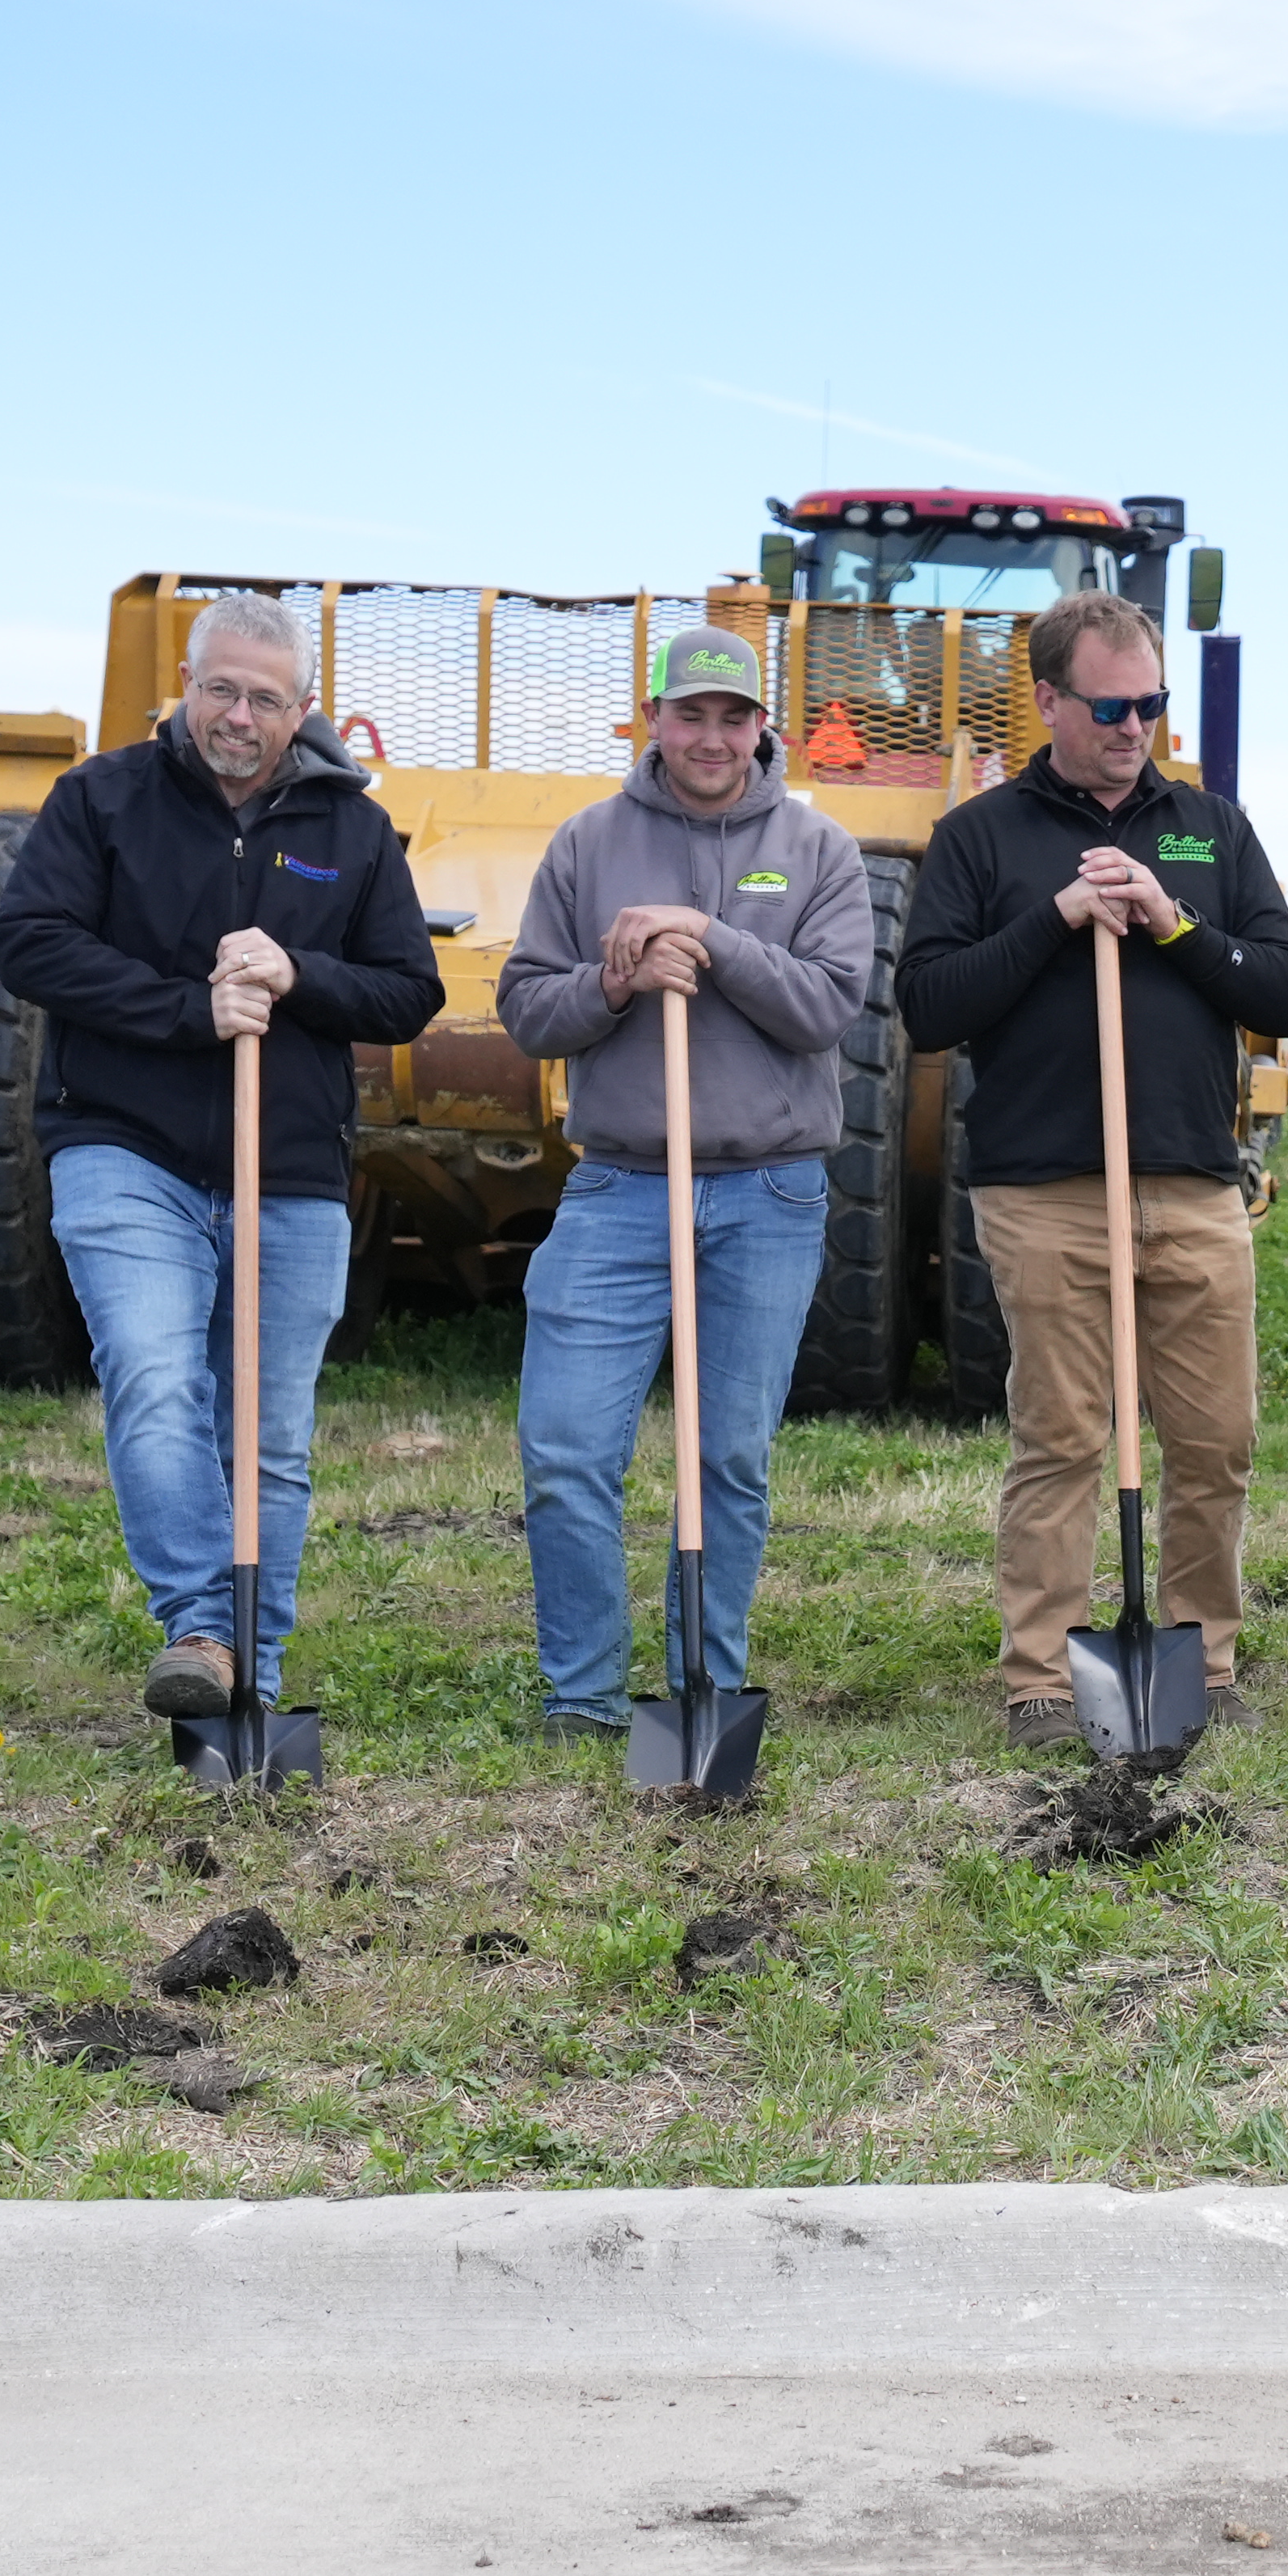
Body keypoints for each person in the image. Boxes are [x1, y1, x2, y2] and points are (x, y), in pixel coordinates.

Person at [0, 588, 441, 1726]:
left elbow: (407, 993)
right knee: (153, 1380)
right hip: (123, 1146)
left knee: (271, 1437)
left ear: (308, 708)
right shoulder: (100, 801)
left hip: (286, 1168)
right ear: (184, 685)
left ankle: (253, 1679)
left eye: (265, 696)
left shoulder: (354, 831)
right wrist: (192, 1012)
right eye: (219, 688)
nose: (238, 714)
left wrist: (298, 975)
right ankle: (202, 1625)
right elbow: (31, 944)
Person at [897, 590, 1288, 1750]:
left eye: (1151, 704)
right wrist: (1057, 917)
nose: (1134, 725)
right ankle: (1042, 1673)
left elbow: (1287, 991)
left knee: (1216, 1435)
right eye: (1110, 705)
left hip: (1190, 1180)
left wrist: (1176, 926)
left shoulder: (1209, 830)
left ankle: (1202, 1657)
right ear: (1049, 701)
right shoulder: (982, 838)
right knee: (1064, 1434)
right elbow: (928, 1006)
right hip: (1043, 1189)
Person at [492, 623, 885, 1743]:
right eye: (690, 713)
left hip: (768, 1197)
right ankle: (583, 1697)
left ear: (763, 728)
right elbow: (527, 1011)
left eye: (734, 716)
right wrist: (615, 982)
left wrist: (710, 937)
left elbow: (827, 1008)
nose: (712, 737)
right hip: (618, 1186)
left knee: (727, 1459)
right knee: (566, 1448)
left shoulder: (817, 851)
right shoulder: (587, 845)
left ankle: (699, 1691)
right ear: (654, 719)